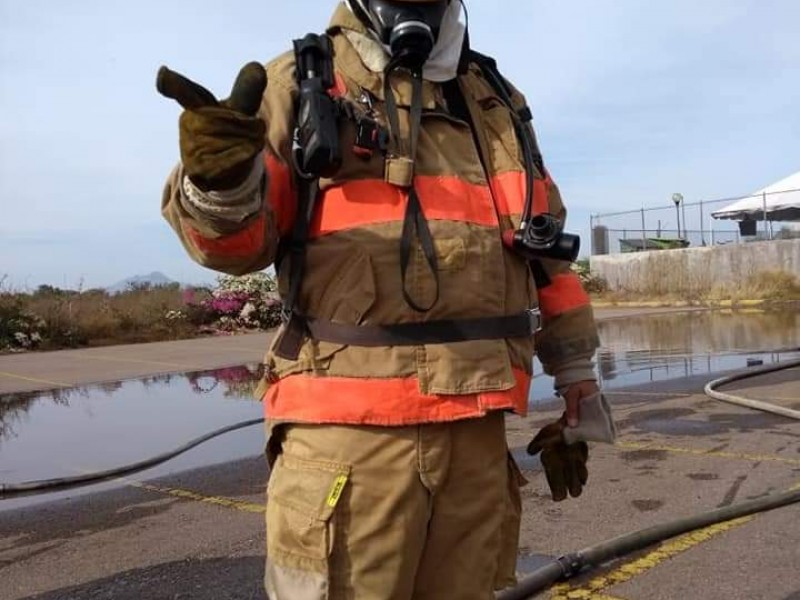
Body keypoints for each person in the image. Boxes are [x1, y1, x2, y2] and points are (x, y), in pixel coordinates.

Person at [159, 1, 612, 598]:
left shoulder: (494, 100)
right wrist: (220, 185)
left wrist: (576, 371)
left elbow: (544, 249)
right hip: (348, 445)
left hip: (476, 438)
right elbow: (236, 245)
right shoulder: (298, 83)